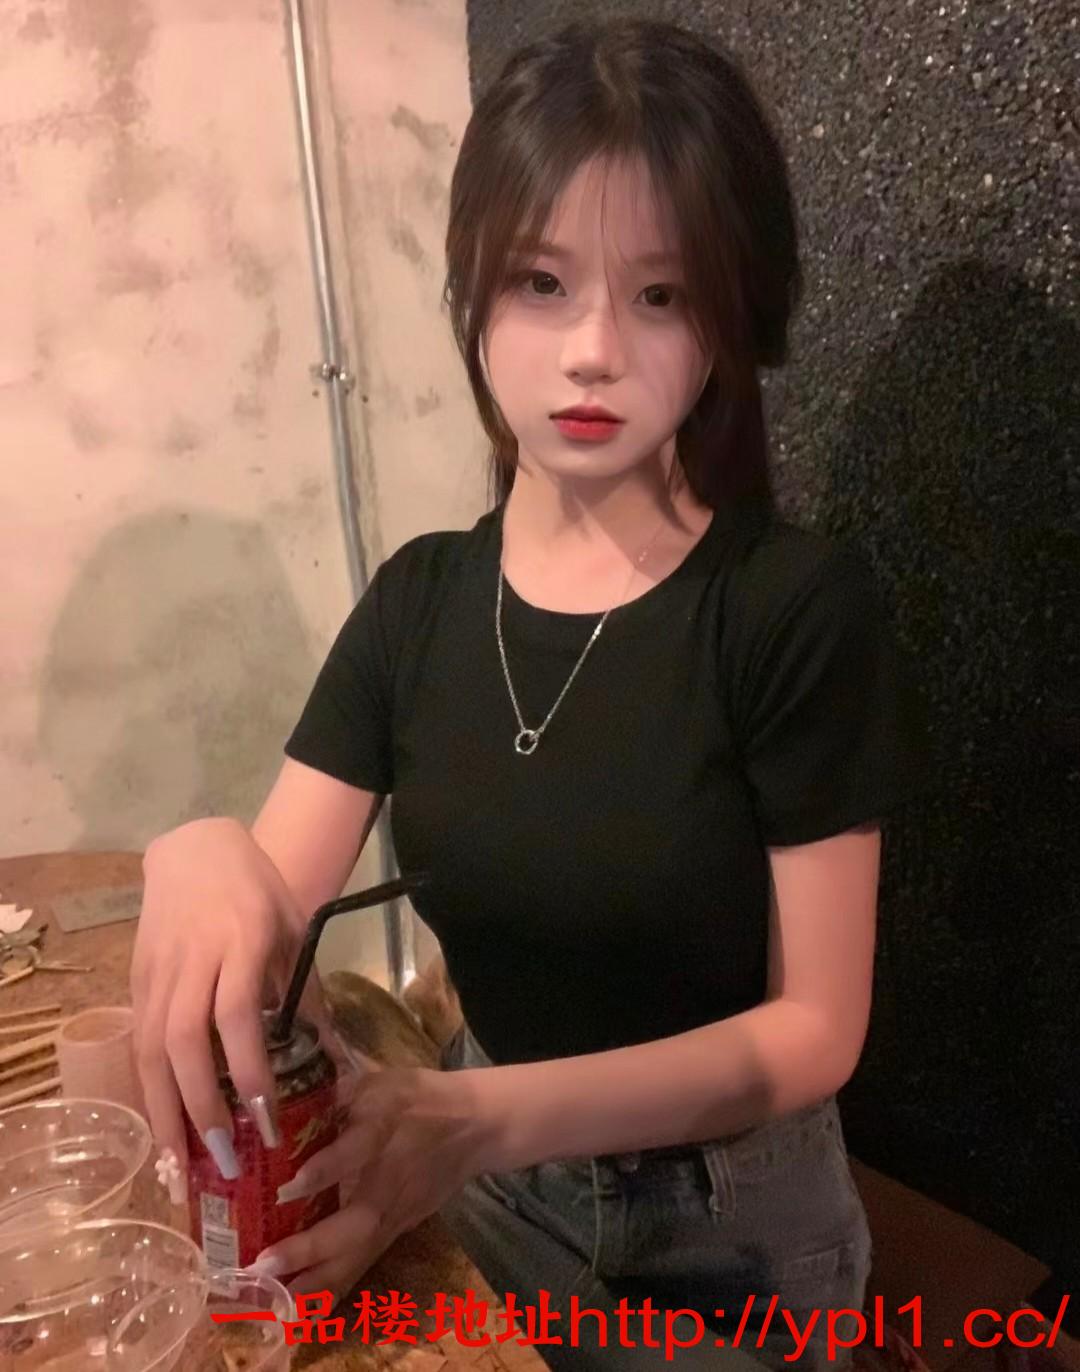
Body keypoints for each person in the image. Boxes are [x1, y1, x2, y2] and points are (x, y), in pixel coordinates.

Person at [131, 16, 930, 1371]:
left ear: (731, 320)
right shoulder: (420, 600)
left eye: (662, 295)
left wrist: (467, 1124)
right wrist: (197, 852)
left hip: (729, 1234)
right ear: (475, 295)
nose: (593, 351)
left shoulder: (790, 608)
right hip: (482, 1189)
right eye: (543, 283)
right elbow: (267, 917)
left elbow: (815, 1031)